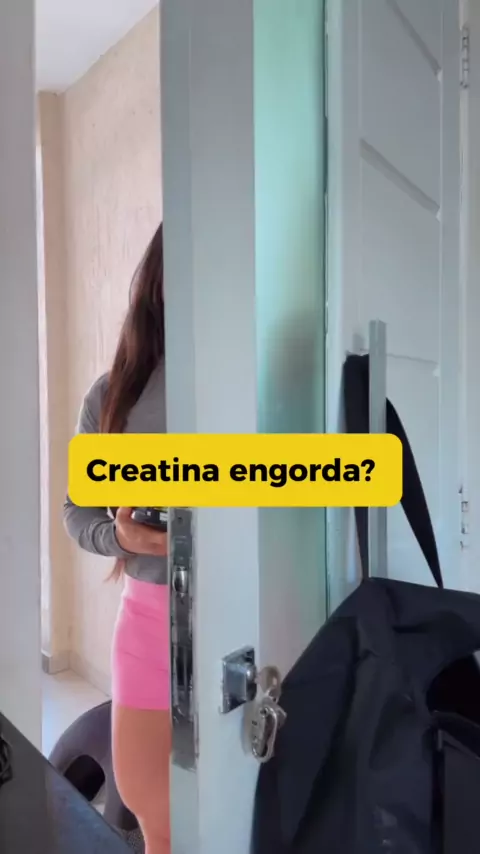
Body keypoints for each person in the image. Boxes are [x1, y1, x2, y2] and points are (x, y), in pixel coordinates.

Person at [63, 223, 170, 854]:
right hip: (149, 623)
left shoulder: (255, 387)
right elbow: (77, 512)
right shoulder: (110, 397)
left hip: (250, 624)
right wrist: (121, 536)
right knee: (157, 816)